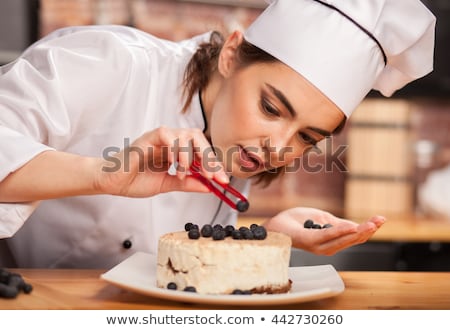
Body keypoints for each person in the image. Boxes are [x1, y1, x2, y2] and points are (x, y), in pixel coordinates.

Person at [0, 0, 435, 268]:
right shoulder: (110, 62)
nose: (279, 148)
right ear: (230, 55)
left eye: (308, 137)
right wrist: (102, 174)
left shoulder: (231, 142)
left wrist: (267, 236)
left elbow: (165, 263)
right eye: (270, 107)